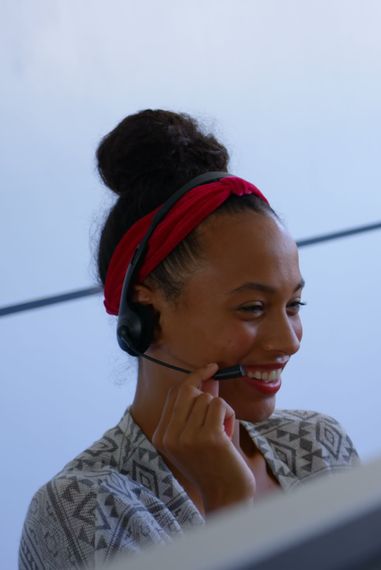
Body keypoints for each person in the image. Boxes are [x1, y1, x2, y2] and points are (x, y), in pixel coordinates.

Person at [19, 110, 359, 569]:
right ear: (145, 307)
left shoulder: (319, 444)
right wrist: (228, 507)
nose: (288, 341)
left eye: (294, 306)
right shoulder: (81, 511)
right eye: (252, 308)